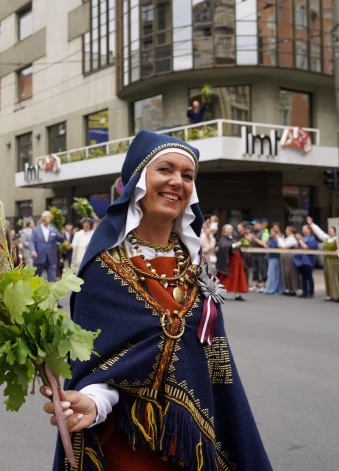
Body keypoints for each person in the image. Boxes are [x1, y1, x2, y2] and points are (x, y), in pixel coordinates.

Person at [41, 131, 271, 470]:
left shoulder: (195, 268)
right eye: (165, 169)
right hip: (127, 446)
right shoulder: (102, 272)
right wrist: (92, 399)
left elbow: (211, 363)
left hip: (195, 445)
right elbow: (97, 364)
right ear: (137, 180)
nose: (177, 181)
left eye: (188, 175)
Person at [307, 216, 339, 302]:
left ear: (335, 233)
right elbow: (319, 232)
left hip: (335, 261)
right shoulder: (327, 238)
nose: (329, 232)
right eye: (329, 231)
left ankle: (337, 295)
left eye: (331, 231)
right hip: (327, 261)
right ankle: (330, 294)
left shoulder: (337, 240)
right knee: (328, 277)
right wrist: (311, 224)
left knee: (335, 278)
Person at [29, 211, 65, 282]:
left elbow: (61, 240)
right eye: (42, 217)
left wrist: (62, 232)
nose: (43, 218)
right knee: (35, 280)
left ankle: (51, 293)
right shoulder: (35, 230)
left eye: (46, 217)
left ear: (50, 218)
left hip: (51, 259)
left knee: (52, 280)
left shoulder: (54, 229)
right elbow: (32, 241)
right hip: (38, 258)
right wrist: (33, 250)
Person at [216, 224, 248, 301]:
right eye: (228, 229)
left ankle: (238, 294)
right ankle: (222, 294)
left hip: (238, 260)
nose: (230, 230)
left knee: (238, 276)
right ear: (224, 230)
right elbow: (224, 246)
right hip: (230, 262)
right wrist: (235, 245)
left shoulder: (233, 238)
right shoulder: (223, 239)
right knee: (227, 276)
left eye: (231, 229)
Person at [293, 225, 318, 298]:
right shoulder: (303, 238)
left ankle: (310, 292)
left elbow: (306, 247)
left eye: (304, 229)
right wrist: (298, 240)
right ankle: (304, 291)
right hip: (300, 261)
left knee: (309, 276)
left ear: (309, 230)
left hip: (308, 261)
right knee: (303, 277)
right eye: (302, 229)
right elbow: (297, 247)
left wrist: (300, 240)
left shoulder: (311, 238)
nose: (303, 230)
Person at [278, 225, 300, 296]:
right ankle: (288, 289)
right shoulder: (286, 238)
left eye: (287, 230)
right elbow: (280, 245)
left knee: (290, 272)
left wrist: (278, 238)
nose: (285, 231)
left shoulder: (292, 239)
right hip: (284, 256)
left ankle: (292, 289)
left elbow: (284, 246)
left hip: (289, 257)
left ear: (291, 231)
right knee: (285, 273)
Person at [264, 227, 285, 295]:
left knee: (273, 274)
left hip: (275, 258)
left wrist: (266, 246)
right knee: (271, 274)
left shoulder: (276, 240)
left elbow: (273, 248)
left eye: (272, 232)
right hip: (270, 258)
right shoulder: (271, 239)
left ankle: (272, 289)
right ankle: (272, 288)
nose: (271, 233)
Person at [249, 220, 267, 292]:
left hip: (261, 254)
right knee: (255, 270)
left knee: (262, 270)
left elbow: (264, 244)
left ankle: (263, 285)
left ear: (260, 225)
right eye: (253, 225)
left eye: (255, 225)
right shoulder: (253, 232)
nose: (254, 226)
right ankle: (255, 285)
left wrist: (255, 239)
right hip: (253, 254)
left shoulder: (264, 233)